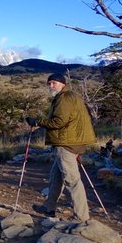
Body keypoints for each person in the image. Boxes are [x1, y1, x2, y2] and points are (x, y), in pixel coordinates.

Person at [26, 73, 96, 222]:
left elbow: (59, 122)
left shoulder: (64, 98)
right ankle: (49, 207)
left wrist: (38, 122)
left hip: (66, 143)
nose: (51, 86)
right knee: (56, 176)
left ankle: (82, 217)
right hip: (72, 141)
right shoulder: (71, 96)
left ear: (62, 84)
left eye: (54, 83)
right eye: (49, 83)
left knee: (72, 180)